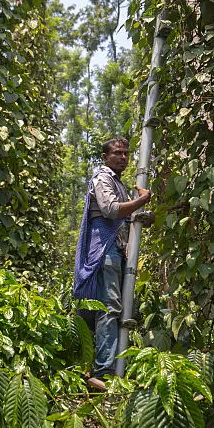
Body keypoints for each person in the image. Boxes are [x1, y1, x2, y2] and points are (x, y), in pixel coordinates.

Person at [73, 136, 151, 391]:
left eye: (126, 153)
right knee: (108, 307)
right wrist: (140, 201)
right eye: (117, 153)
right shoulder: (102, 178)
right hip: (104, 250)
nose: (123, 158)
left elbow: (124, 217)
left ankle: (89, 366)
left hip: (113, 251)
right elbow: (110, 210)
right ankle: (103, 372)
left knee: (101, 308)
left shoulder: (118, 183)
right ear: (105, 157)